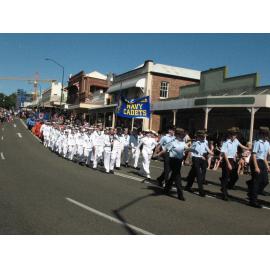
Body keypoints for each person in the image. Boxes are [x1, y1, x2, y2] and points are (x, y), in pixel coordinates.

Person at [155, 128, 187, 201]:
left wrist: (192, 149)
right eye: (181, 135)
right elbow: (165, 149)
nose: (183, 136)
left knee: (173, 176)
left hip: (179, 161)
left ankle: (166, 189)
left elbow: (186, 148)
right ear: (177, 135)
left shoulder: (182, 141)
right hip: (172, 160)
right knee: (177, 177)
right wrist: (157, 154)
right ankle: (180, 194)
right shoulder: (172, 142)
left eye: (183, 135)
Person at [220, 127, 251, 200]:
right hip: (227, 160)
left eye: (235, 135)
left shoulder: (236, 141)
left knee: (235, 177)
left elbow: (242, 146)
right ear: (230, 135)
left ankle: (225, 187)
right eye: (233, 135)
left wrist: (248, 148)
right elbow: (224, 154)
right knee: (226, 177)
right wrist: (228, 164)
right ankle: (224, 194)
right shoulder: (226, 143)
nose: (234, 136)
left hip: (233, 160)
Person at [185, 130, 214, 197]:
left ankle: (188, 186)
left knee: (193, 173)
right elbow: (189, 149)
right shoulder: (195, 143)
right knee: (198, 175)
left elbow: (208, 150)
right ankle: (201, 191)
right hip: (195, 159)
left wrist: (211, 153)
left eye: (204, 136)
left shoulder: (204, 143)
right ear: (199, 136)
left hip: (201, 159)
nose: (204, 137)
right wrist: (192, 150)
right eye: (203, 136)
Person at [246, 127, 270, 208]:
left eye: (267, 134)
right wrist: (256, 167)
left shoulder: (267, 143)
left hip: (262, 162)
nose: (266, 136)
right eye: (265, 134)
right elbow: (253, 155)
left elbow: (265, 156)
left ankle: (251, 188)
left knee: (265, 181)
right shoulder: (257, 142)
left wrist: (267, 166)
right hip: (256, 161)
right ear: (262, 135)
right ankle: (253, 201)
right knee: (257, 182)